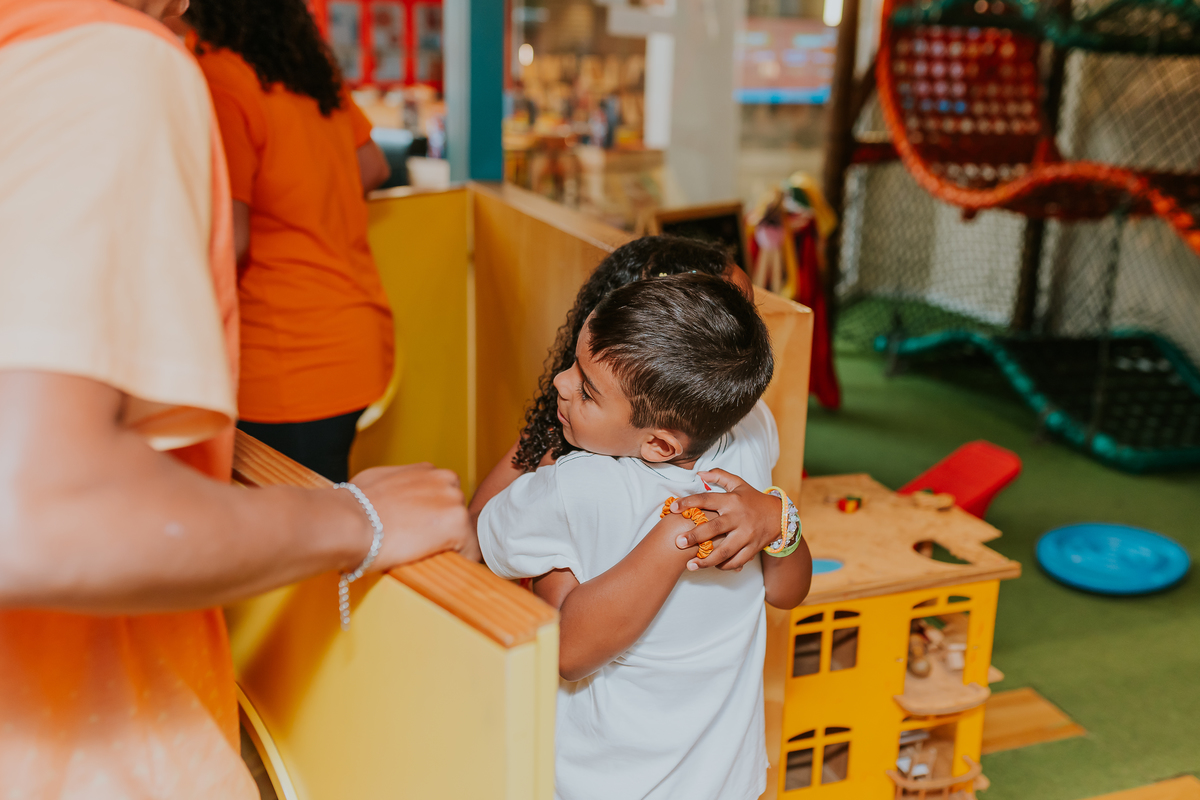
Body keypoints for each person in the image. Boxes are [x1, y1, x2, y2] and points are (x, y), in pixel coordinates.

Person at [0, 0, 472, 797]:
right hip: (347, 339)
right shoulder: (128, 62)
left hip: (288, 352)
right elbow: (41, 506)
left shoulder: (87, 59)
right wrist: (356, 519)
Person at [477, 273, 813, 800]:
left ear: (658, 444)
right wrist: (773, 521)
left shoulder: (574, 486)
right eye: (574, 365)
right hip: (726, 782)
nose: (561, 384)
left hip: (600, 784)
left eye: (586, 390)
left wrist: (779, 521)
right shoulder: (750, 431)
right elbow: (786, 593)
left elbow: (488, 535)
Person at [472, 236, 780, 571]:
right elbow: (479, 533)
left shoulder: (745, 433)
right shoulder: (567, 449)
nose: (740, 329)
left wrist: (779, 517)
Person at [184, 0, 395, 482]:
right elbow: (373, 166)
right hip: (349, 339)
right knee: (325, 519)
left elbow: (229, 236)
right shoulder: (305, 66)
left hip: (282, 364)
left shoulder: (217, 76)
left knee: (298, 540)